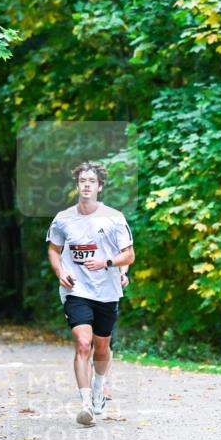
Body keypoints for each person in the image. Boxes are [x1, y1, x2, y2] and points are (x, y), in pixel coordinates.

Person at [47, 161, 135, 425]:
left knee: (102, 346)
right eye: (82, 180)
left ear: (100, 186)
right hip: (77, 290)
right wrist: (60, 272)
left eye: (91, 181)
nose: (86, 185)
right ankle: (85, 404)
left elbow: (128, 253)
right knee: (83, 343)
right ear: (77, 185)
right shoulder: (63, 219)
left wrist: (112, 265)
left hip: (107, 290)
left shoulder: (114, 217)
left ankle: (99, 387)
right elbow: (53, 250)